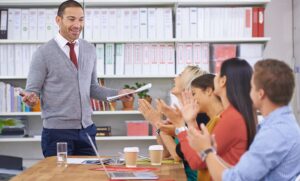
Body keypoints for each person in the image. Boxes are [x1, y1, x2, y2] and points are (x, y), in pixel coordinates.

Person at [21, 0, 132, 157]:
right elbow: (32, 91)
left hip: (87, 131)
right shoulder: (43, 53)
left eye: (81, 19)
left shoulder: (89, 49)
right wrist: (30, 98)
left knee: (88, 177)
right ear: (58, 20)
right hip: (57, 133)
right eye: (71, 19)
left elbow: (92, 88)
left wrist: (119, 93)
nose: (77, 25)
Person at [188, 59, 300, 181]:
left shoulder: (275, 133)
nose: (247, 91)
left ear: (260, 94)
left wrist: (206, 151)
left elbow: (235, 178)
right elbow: (240, 172)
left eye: (251, 87)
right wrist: (211, 154)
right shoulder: (280, 125)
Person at [158, 58, 257, 181]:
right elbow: (199, 152)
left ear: (223, 81)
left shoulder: (232, 118)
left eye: (218, 73)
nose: (214, 76)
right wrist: (191, 121)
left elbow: (196, 162)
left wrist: (180, 126)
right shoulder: (229, 115)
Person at [138, 65, 209, 181]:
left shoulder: (198, 116)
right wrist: (158, 125)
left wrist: (157, 122)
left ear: (188, 83)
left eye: (180, 75)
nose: (175, 77)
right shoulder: (182, 114)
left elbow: (178, 156)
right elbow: (165, 152)